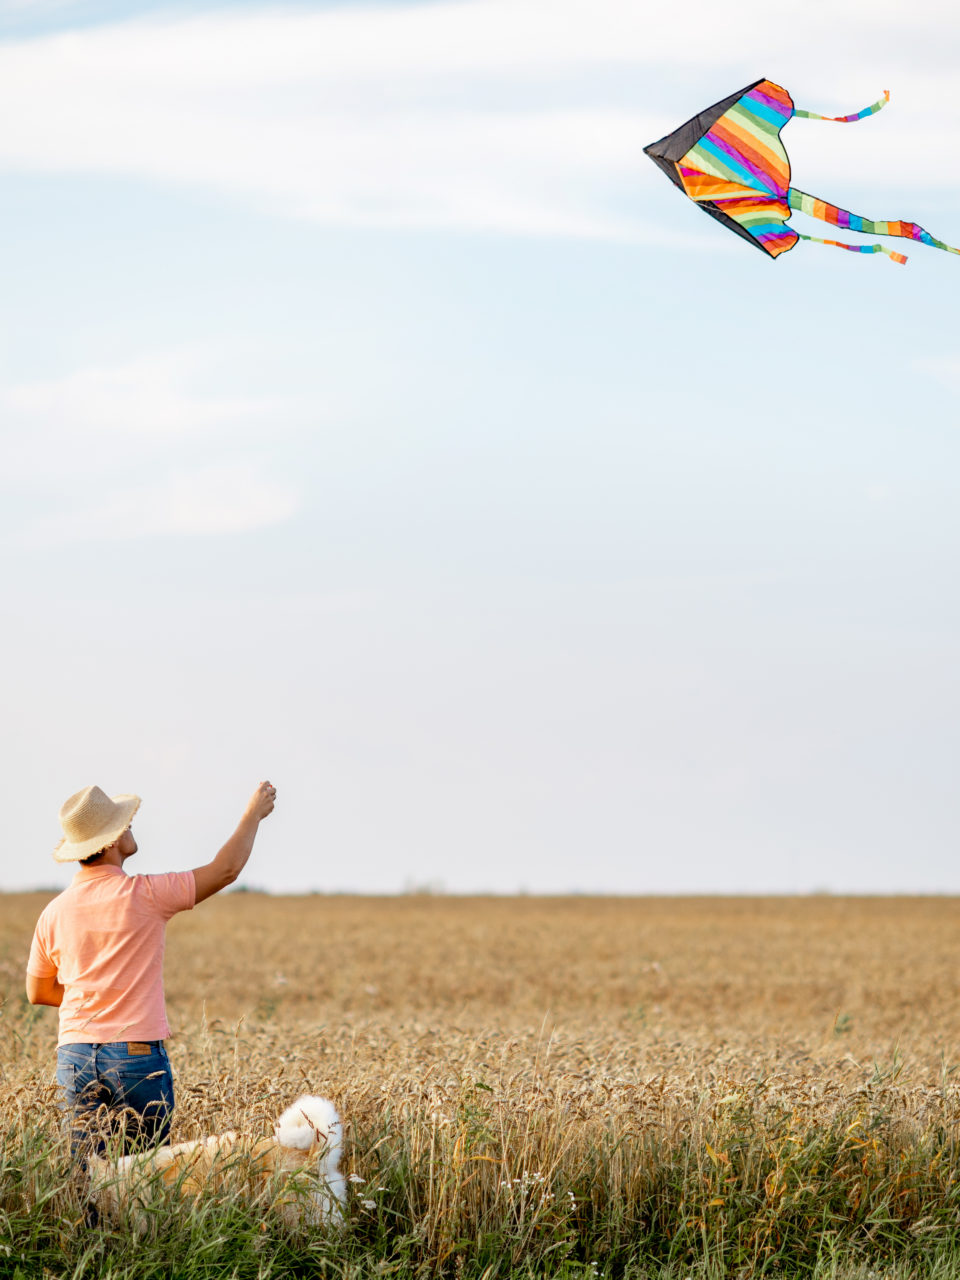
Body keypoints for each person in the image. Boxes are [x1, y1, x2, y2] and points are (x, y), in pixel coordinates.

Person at [25, 780, 276, 1158]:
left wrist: (94, 998)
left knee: (85, 1178)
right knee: (144, 1178)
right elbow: (225, 871)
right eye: (122, 825)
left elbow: (38, 993)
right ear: (110, 842)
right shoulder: (146, 895)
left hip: (74, 1055)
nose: (130, 828)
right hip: (136, 1053)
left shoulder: (53, 913)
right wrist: (252, 814)